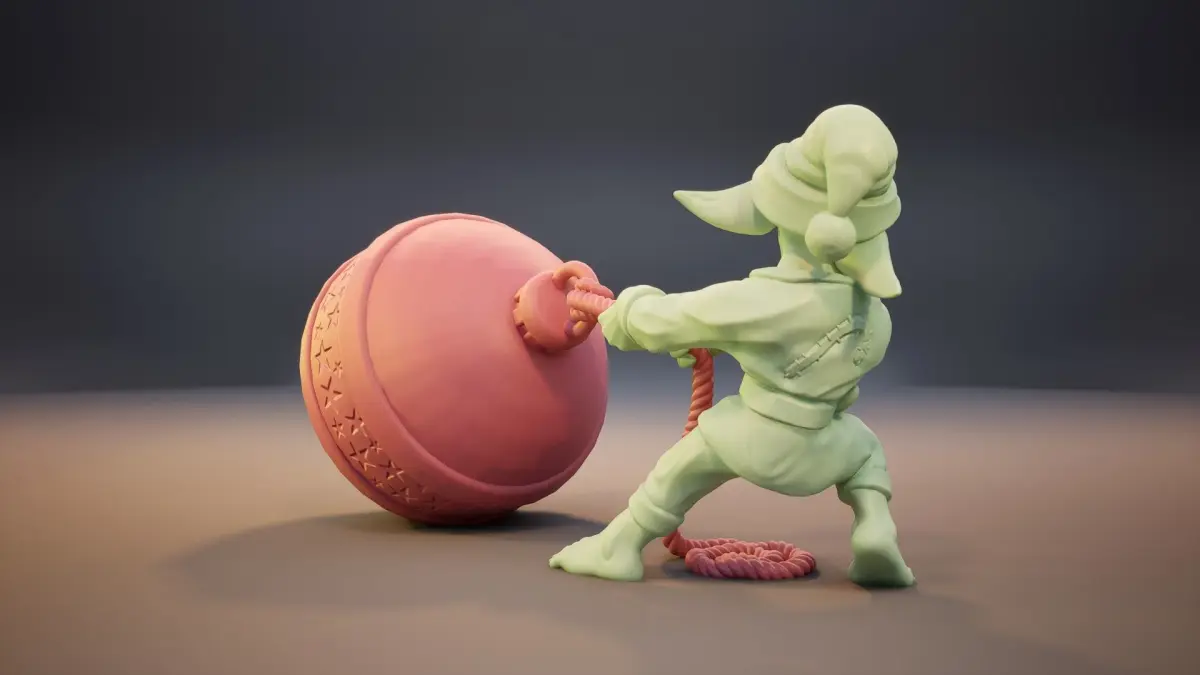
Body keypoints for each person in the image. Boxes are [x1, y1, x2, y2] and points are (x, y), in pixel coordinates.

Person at [549, 104, 915, 587]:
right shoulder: (875, 318)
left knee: (681, 468)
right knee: (866, 451)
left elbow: (666, 321)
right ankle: (874, 526)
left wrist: (628, 310)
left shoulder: (758, 301)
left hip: (752, 439)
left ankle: (619, 545)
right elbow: (828, 374)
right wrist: (727, 346)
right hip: (825, 447)